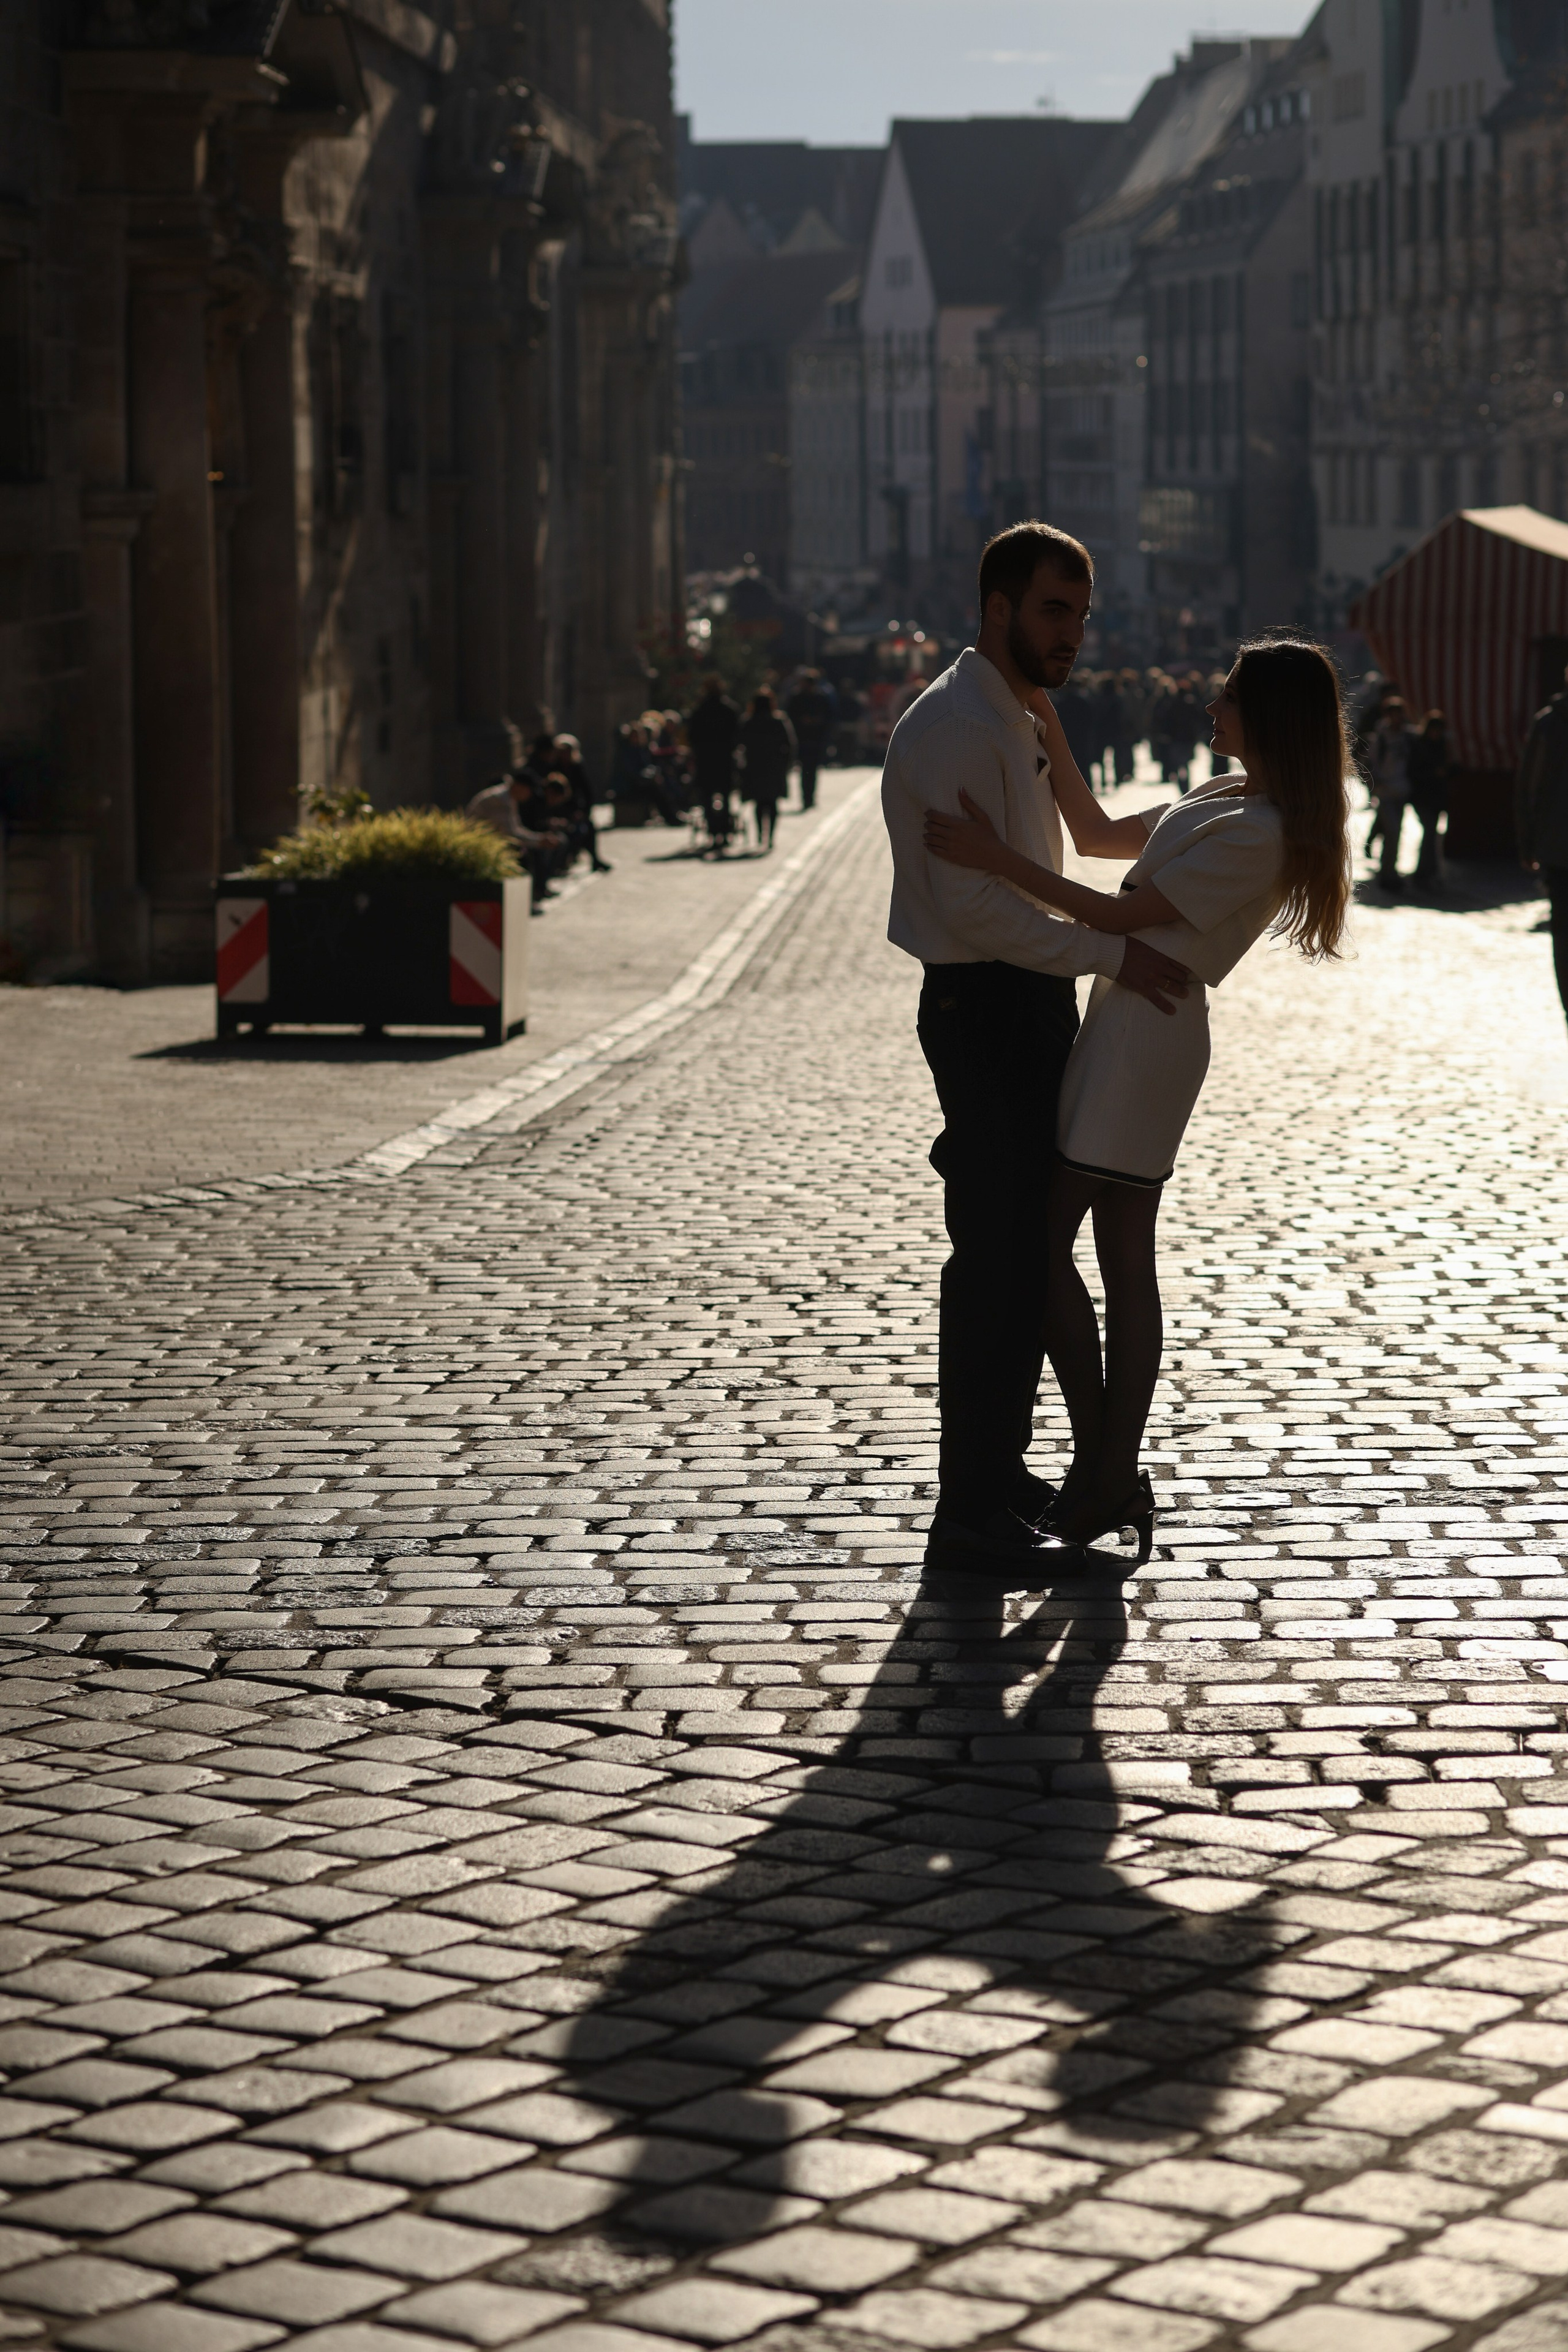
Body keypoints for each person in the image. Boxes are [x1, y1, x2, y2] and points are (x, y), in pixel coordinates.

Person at [925, 638, 1352, 1561]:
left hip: (1147, 1040)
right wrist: (1048, 726)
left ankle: (1107, 1464)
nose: (1211, 707)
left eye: (1228, 696)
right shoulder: (1223, 794)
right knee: (1117, 1255)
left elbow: (1117, 915)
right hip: (1125, 1021)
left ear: (1270, 716)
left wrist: (994, 857)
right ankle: (1107, 1471)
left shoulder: (1263, 830)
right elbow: (1093, 833)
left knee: (1053, 1244)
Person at [881, 520, 1191, 1580]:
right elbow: (975, 908)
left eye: (1083, 615)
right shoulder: (958, 726)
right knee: (996, 1258)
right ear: (998, 608)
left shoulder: (1012, 711)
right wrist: (1108, 952)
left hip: (1021, 1002)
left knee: (1021, 1255)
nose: (1073, 634)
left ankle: (997, 1477)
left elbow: (1088, 837)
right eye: (1055, 611)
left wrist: (1218, 813)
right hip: (986, 1004)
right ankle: (969, 1509)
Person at [1516, 660, 1568, 1027]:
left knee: (1563, 933)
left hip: (1557, 845)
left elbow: (1528, 787)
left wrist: (1528, 842)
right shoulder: (1547, 724)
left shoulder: (1548, 723)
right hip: (1556, 845)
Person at [464, 772, 565, 911]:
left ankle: (524, 900)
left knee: (526, 854)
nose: (530, 795)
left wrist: (539, 839)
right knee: (523, 857)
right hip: (479, 846)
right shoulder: (501, 800)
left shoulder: (507, 797)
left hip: (489, 842)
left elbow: (515, 829)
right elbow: (510, 834)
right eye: (529, 791)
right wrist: (539, 841)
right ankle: (521, 902)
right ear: (520, 787)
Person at [687, 672, 741, 854]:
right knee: (725, 798)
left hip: (706, 760)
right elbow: (736, 736)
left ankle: (713, 832)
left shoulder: (700, 710)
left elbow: (692, 736)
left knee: (707, 798)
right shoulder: (729, 709)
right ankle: (724, 832)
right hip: (724, 760)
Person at [737, 687, 796, 852]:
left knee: (759, 804)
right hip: (775, 767)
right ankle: (770, 836)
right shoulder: (779, 720)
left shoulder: (749, 721)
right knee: (772, 804)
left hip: (755, 766)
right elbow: (790, 744)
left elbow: (739, 743)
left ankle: (760, 835)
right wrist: (787, 764)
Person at [1365, 694, 1413, 887]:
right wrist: (1374, 786)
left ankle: (1388, 867)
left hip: (1401, 791)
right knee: (1392, 831)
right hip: (1385, 791)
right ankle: (1388, 873)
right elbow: (1370, 763)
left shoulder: (1408, 736)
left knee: (1394, 831)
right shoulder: (1381, 737)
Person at [1406, 709, 1450, 888]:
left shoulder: (1442, 746)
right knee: (1430, 833)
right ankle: (1424, 873)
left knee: (1432, 835)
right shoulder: (1420, 746)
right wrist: (1433, 773)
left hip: (1436, 798)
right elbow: (1413, 772)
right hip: (1422, 797)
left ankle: (1429, 872)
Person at [788, 670, 836, 810]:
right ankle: (806, 797)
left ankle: (810, 797)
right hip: (802, 739)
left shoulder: (821, 698)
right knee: (806, 770)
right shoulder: (797, 698)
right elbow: (791, 717)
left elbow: (829, 718)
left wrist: (817, 722)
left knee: (812, 770)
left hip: (816, 739)